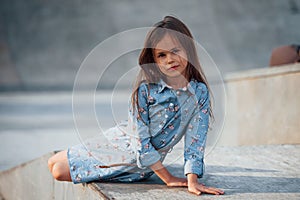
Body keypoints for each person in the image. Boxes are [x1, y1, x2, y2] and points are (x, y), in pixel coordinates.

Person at [48, 16, 224, 196]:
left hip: (133, 160)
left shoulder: (199, 92)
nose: (170, 59)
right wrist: (168, 178)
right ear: (154, 61)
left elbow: (196, 140)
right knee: (52, 162)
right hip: (120, 139)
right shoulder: (146, 91)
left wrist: (191, 180)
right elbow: (140, 140)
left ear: (188, 50)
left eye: (175, 50)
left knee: (58, 171)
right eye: (161, 55)